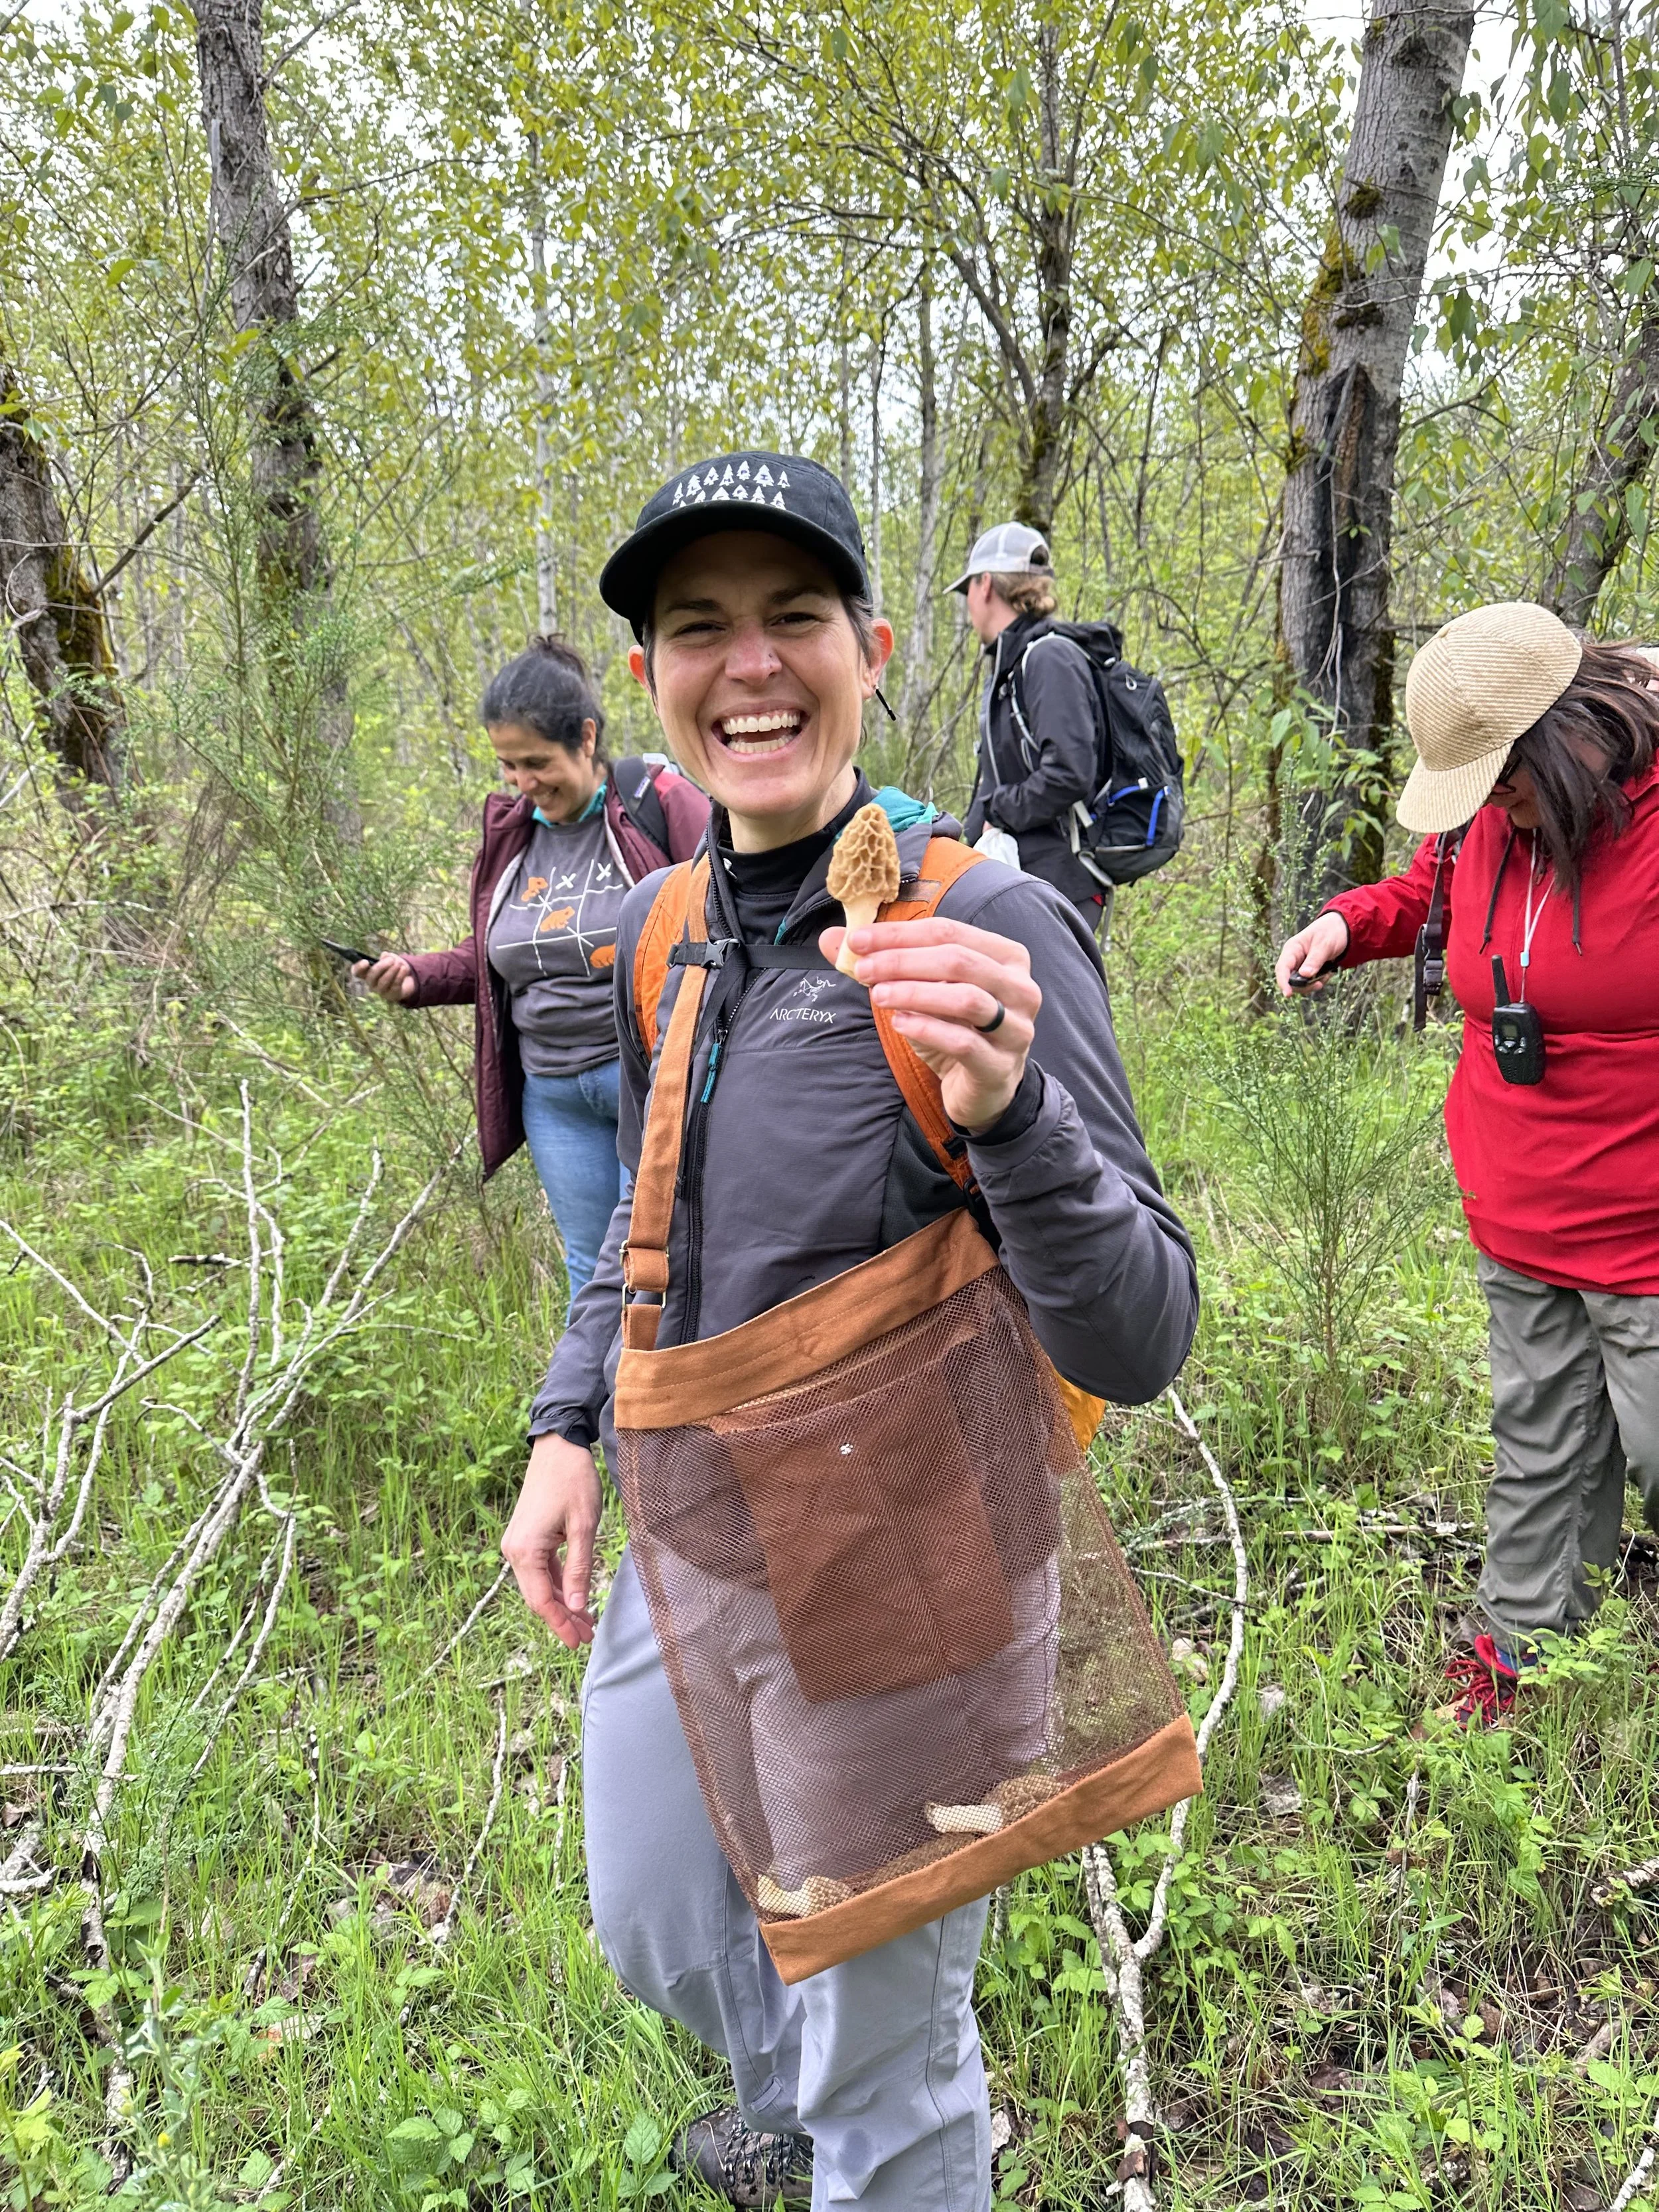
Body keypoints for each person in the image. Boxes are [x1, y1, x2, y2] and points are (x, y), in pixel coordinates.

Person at [500, 452, 1199, 2210]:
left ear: (872, 647)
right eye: (699, 626)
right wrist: (568, 1422)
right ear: (652, 681)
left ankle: (888, 2141)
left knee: (889, 2044)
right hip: (699, 1517)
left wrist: (1014, 1110)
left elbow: (1141, 1326)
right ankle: (817, 2111)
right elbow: (645, 1226)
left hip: (907, 1546)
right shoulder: (669, 925)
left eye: (792, 616)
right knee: (654, 1913)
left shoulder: (978, 917)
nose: (751, 663)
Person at [1275, 601, 1659, 1728]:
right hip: (1519, 1208)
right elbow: (1433, 898)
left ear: (1567, 735)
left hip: (1647, 1230)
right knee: (1542, 1448)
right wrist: (1350, 922)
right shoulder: (1492, 816)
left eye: (1504, 781)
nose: (1495, 807)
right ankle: (1526, 1657)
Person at [357, 636, 707, 1297]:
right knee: (591, 1272)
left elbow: (727, 907)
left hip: (648, 1078)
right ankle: (596, 1404)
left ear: (585, 738)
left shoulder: (654, 802)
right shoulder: (512, 835)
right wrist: (415, 975)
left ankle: (679, 1393)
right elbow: (493, 953)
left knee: (666, 1259)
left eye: (536, 762)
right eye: (508, 765)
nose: (522, 783)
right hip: (553, 1095)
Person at [955, 522, 1112, 934]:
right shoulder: (1011, 668)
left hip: (1059, 884)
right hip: (1024, 880)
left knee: (1047, 1000)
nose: (968, 604)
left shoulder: (1048, 659)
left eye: (967, 589)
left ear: (985, 585)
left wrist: (998, 812)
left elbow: (1069, 773)